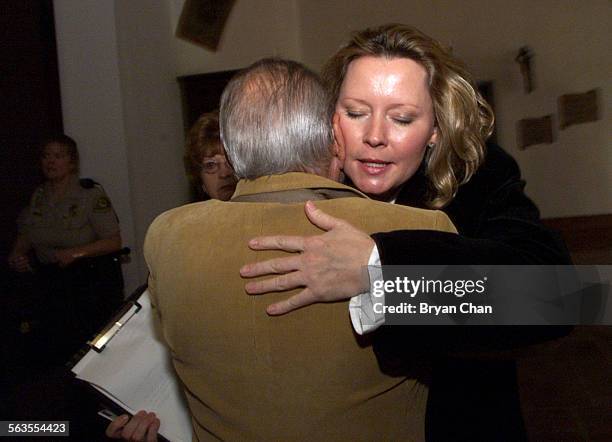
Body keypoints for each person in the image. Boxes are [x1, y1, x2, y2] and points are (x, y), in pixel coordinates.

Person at [239, 25, 572, 440]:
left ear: (435, 128)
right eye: (356, 113)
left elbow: (555, 296)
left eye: (402, 118)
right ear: (327, 117)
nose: (375, 136)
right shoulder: (300, 181)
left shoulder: (478, 179)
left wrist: (378, 269)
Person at [107, 58, 456, 441]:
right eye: (355, 114)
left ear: (233, 146)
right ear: (331, 138)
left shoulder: (166, 236)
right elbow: (497, 326)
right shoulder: (420, 230)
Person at [7, 134, 123, 358]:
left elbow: (113, 241)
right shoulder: (39, 196)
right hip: (49, 283)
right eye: (46, 156)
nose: (50, 162)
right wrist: (17, 255)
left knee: (81, 348)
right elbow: (27, 233)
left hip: (85, 284)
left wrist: (75, 253)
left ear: (72, 162)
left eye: (58, 156)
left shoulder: (89, 194)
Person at [183, 110, 237, 201]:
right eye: (210, 165)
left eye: (230, 161)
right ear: (200, 180)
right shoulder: (187, 215)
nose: (224, 174)